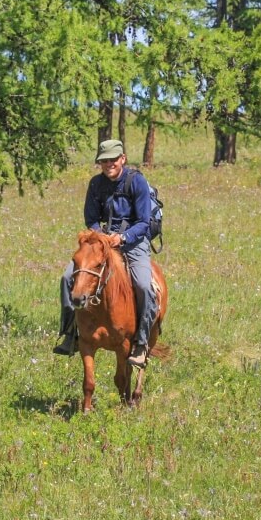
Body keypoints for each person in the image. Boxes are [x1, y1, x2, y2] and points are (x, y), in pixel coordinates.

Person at [55, 139, 158, 368]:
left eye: (113, 159)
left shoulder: (136, 182)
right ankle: (70, 333)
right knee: (66, 278)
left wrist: (122, 237)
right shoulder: (96, 184)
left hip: (133, 241)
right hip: (102, 242)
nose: (109, 164)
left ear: (122, 159)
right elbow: (91, 218)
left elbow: (143, 221)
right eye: (104, 161)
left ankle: (141, 342)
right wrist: (100, 236)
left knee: (143, 284)